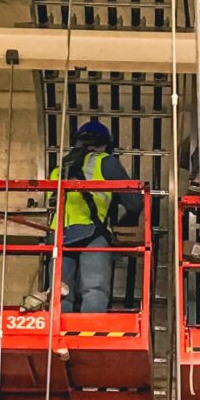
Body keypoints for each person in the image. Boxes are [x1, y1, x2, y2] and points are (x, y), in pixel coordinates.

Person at [49, 120, 141, 313]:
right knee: (95, 290)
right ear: (105, 144)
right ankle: (89, 338)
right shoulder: (105, 162)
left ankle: (60, 340)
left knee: (59, 293)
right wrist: (120, 226)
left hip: (58, 236)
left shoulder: (58, 169)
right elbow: (134, 203)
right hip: (93, 233)